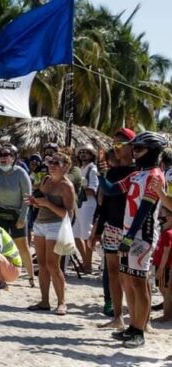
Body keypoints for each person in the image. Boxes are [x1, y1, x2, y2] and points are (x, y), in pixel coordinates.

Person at [98, 131, 166, 348]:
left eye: (139, 148)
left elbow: (145, 210)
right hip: (128, 232)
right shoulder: (137, 174)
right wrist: (102, 174)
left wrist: (128, 237)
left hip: (142, 234)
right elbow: (110, 190)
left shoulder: (155, 175)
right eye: (134, 148)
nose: (134, 152)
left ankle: (139, 330)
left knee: (138, 281)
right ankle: (133, 326)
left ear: (152, 151)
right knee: (128, 279)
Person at [92, 128, 136, 329]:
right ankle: (117, 316)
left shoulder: (139, 171)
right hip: (111, 225)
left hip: (131, 228)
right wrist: (98, 230)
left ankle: (139, 321)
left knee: (133, 276)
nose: (116, 148)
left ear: (131, 145)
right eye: (114, 145)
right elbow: (106, 204)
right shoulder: (112, 171)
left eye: (120, 144)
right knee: (112, 271)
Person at [26, 152, 75, 316]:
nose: (52, 165)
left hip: (56, 226)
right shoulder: (46, 180)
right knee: (41, 264)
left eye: (57, 163)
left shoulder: (66, 186)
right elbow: (42, 203)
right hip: (40, 224)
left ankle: (62, 302)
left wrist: (46, 203)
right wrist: (36, 202)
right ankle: (44, 301)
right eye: (50, 162)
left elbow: (68, 214)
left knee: (53, 264)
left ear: (66, 166)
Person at [0, 144, 34, 287]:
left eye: (7, 155)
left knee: (22, 246)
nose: (3, 158)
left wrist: (23, 218)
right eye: (1, 155)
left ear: (14, 158)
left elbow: (27, 198)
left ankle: (31, 277)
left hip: (17, 213)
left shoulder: (21, 173)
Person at [73, 144, 99, 273]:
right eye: (81, 152)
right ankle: (86, 262)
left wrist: (78, 188)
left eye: (86, 152)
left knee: (86, 236)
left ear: (91, 155)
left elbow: (93, 190)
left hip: (88, 205)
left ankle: (88, 265)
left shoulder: (92, 169)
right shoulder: (80, 169)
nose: (83, 154)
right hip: (79, 205)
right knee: (76, 235)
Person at [152, 205, 172, 322]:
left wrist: (160, 269)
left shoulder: (168, 233)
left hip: (164, 267)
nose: (160, 217)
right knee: (162, 289)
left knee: (166, 292)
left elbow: (166, 253)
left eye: (162, 215)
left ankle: (167, 315)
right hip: (159, 264)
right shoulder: (164, 232)